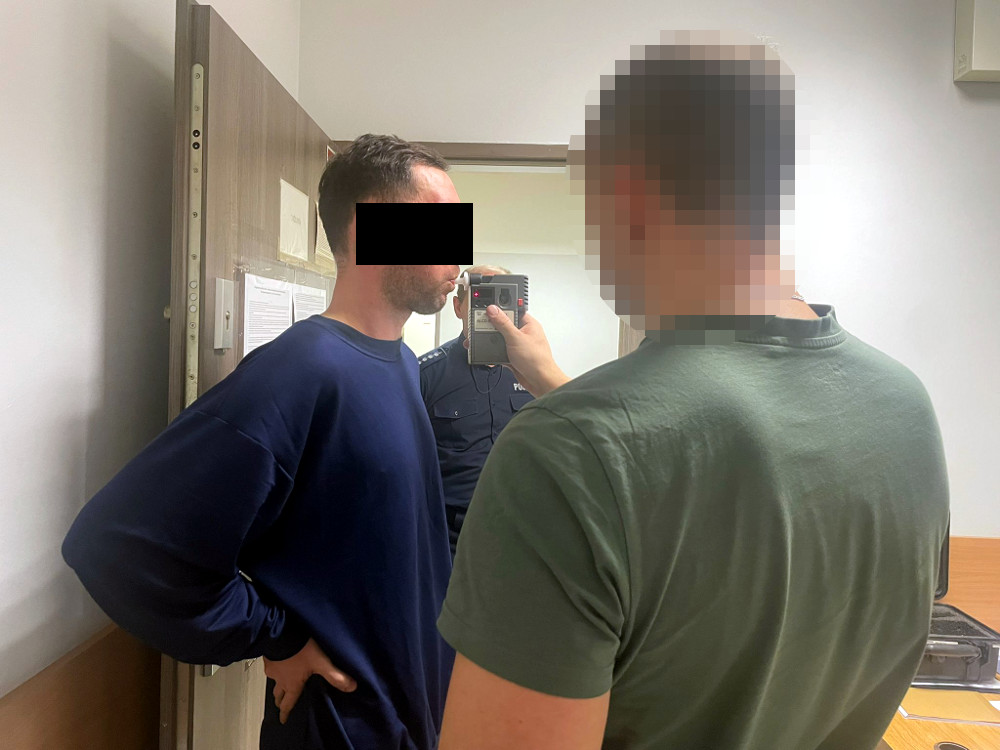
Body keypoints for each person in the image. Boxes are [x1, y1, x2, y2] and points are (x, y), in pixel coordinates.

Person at [435, 32, 950, 750]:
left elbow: (643, 455)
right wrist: (552, 382)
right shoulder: (905, 406)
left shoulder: (560, 456)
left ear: (628, 194)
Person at [63, 134, 464, 750]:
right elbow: (116, 546)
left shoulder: (403, 365)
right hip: (341, 729)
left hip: (412, 714)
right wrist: (277, 635)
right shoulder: (301, 371)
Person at [418, 264, 534, 557]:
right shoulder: (427, 374)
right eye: (482, 300)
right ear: (459, 307)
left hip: (520, 528)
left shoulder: (532, 371)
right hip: (449, 535)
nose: (493, 312)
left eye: (502, 300)